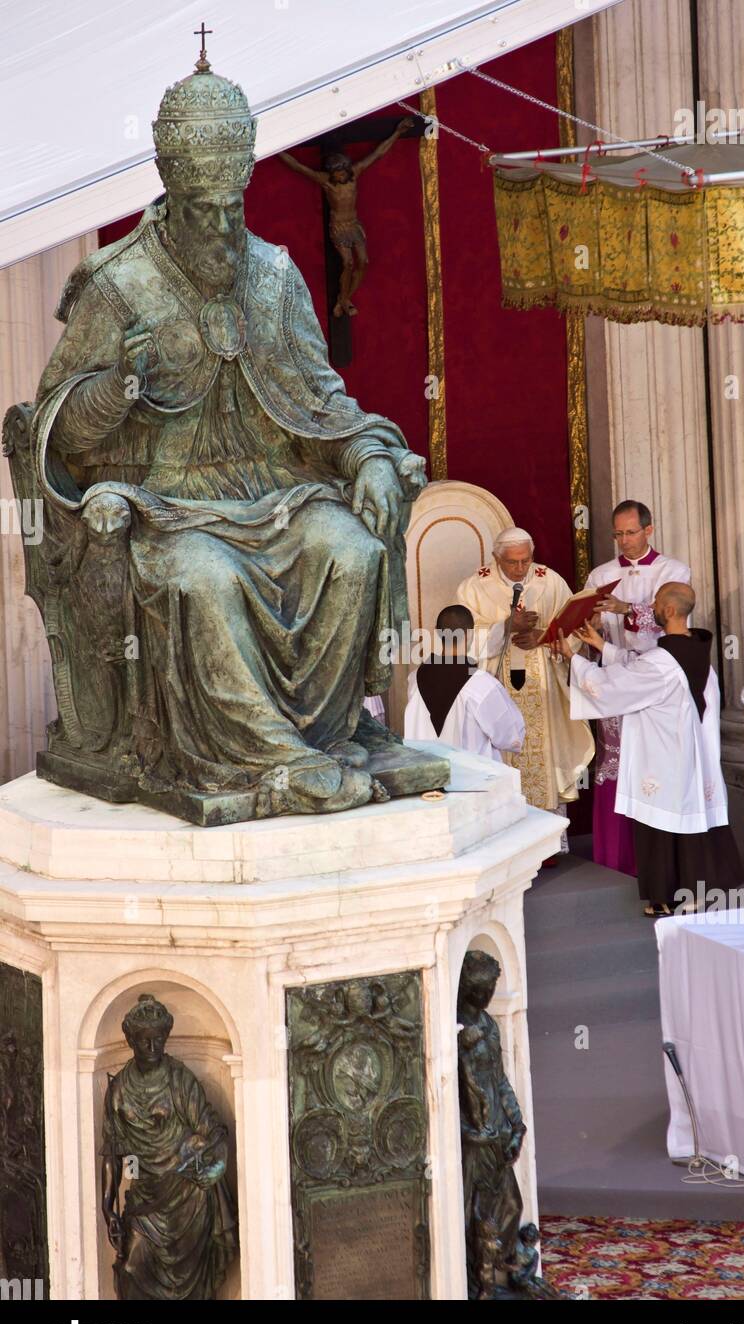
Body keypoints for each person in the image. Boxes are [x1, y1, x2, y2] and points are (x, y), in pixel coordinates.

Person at [31, 53, 429, 819]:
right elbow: (51, 431)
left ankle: (336, 731)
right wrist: (114, 394)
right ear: (171, 186)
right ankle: (275, 763)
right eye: (203, 207)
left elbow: (323, 401)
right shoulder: (118, 283)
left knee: (352, 550)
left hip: (278, 494)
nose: (221, 225)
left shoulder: (275, 276)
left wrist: (370, 458)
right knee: (204, 583)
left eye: (232, 206)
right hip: (167, 505)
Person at [559, 582, 742, 916]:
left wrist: (574, 659)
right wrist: (603, 646)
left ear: (669, 610)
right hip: (691, 755)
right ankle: (697, 890)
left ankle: (670, 894)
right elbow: (637, 667)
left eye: (657, 601)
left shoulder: (661, 661)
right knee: (690, 818)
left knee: (661, 822)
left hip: (665, 758)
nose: (652, 606)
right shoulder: (696, 651)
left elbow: (616, 686)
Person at [457, 528, 593, 848]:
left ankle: (548, 846)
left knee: (544, 759)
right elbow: (461, 638)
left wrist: (543, 637)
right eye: (512, 562)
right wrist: (505, 627)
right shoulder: (474, 587)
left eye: (525, 560)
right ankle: (508, 845)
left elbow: (572, 629)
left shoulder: (550, 581)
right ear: (496, 558)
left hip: (543, 688)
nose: (520, 568)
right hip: (496, 687)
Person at [101, 995, 237, 1301]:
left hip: (189, 1195)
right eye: (145, 1040)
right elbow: (115, 1156)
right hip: (146, 1195)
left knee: (193, 1287)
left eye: (159, 1039)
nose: (153, 1047)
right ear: (131, 1040)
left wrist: (214, 1166)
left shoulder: (179, 1080)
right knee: (130, 1269)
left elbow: (211, 1130)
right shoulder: (118, 1089)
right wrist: (107, 1207)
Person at [584, 500, 690, 878]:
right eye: (618, 534)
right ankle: (615, 856)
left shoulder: (673, 570)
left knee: (650, 763)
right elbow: (586, 621)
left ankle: (652, 857)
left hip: (656, 680)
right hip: (614, 677)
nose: (624, 541)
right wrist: (589, 619)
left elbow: (672, 616)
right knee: (614, 762)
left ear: (649, 530)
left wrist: (626, 608)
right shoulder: (600, 574)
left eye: (631, 532)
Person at [279, 118, 413, 317]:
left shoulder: (354, 173)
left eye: (342, 172)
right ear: (331, 173)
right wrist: (277, 148)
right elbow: (299, 167)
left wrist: (398, 133)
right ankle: (344, 299)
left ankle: (344, 299)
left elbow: (378, 153)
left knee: (364, 261)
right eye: (338, 174)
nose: (341, 176)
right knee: (348, 263)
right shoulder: (326, 181)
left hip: (353, 224)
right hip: (339, 226)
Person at [404, 605, 525, 761]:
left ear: (437, 632)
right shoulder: (483, 684)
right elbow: (511, 737)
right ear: (470, 635)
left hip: (426, 777)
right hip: (471, 781)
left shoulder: (415, 678)